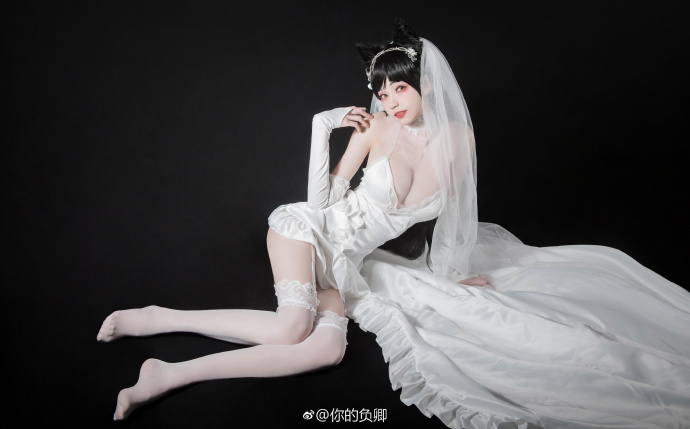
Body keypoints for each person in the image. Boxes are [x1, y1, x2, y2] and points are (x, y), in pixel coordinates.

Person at [97, 20, 690, 428]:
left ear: (426, 83)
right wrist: (320, 129)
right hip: (304, 231)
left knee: (324, 353)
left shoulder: (459, 141)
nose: (390, 99)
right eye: (382, 89)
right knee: (291, 327)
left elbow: (454, 215)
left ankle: (164, 361)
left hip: (346, 262)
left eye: (399, 86)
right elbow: (320, 204)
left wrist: (450, 271)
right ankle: (164, 341)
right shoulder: (375, 129)